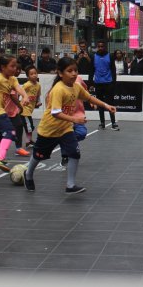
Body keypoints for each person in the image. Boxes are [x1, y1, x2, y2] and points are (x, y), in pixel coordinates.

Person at [23, 57, 116, 194]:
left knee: (74, 153)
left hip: (65, 129)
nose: (74, 74)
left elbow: (89, 98)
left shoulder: (76, 87)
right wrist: (74, 119)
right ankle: (28, 174)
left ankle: (70, 185)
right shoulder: (58, 89)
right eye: (69, 71)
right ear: (60, 73)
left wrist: (106, 105)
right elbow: (55, 113)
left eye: (75, 70)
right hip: (49, 130)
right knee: (39, 155)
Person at [89, 40, 119, 130]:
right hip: (98, 83)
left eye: (102, 46)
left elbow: (113, 70)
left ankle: (113, 123)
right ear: (97, 47)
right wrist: (91, 83)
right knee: (100, 104)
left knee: (111, 103)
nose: (101, 48)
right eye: (99, 46)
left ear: (104, 47)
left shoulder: (110, 56)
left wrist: (113, 83)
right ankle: (102, 123)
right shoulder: (93, 56)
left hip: (108, 83)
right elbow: (91, 71)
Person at [21, 65, 41, 147]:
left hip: (30, 109)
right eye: (31, 74)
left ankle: (29, 141)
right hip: (24, 109)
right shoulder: (27, 85)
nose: (34, 75)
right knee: (29, 126)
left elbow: (38, 95)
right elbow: (20, 92)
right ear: (28, 76)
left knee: (30, 126)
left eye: (35, 73)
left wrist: (38, 102)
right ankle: (28, 142)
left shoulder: (38, 85)